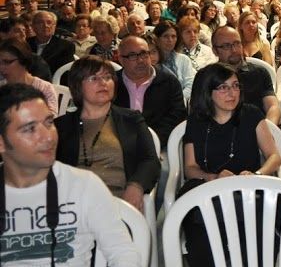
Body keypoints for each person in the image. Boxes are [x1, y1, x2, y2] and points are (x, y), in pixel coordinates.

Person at [0, 83, 141, 267]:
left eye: (48, 122)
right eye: (30, 129)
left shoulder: (83, 185)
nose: (47, 136)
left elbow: (126, 257)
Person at [180, 63, 281, 267]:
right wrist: (213, 177)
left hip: (247, 191)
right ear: (208, 92)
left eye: (235, 86)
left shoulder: (251, 115)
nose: (232, 93)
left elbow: (274, 156)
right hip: (207, 192)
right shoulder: (197, 121)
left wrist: (256, 174)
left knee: (266, 236)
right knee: (201, 243)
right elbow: (190, 167)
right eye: (223, 87)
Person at [55, 56, 160, 212]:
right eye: (93, 78)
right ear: (77, 85)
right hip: (72, 207)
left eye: (107, 77)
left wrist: (136, 186)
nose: (103, 83)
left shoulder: (131, 119)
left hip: (119, 203)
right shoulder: (61, 126)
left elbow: (150, 161)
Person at [113, 35, 186, 148]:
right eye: (133, 56)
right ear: (121, 59)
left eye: (144, 54)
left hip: (160, 145)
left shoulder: (169, 82)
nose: (140, 60)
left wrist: (150, 141)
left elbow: (176, 117)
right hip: (118, 146)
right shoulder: (112, 83)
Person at [211, 26, 281, 127]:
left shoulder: (259, 72)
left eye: (237, 43)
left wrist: (269, 128)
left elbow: (273, 106)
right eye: (226, 46)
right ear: (215, 50)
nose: (234, 50)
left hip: (261, 127)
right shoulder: (208, 77)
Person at [0, 39, 58, 115]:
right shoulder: (1, 87)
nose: (1, 68)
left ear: (23, 60)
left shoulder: (45, 89)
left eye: (7, 62)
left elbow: (50, 119)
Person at [153, 20, 196, 102]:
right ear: (157, 39)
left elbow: (190, 85)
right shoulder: (152, 60)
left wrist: (177, 100)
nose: (170, 40)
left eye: (173, 36)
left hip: (180, 102)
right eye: (165, 36)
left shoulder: (184, 59)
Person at [27, 11, 75, 76]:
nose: (45, 25)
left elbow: (65, 73)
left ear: (54, 26)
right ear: (33, 26)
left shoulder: (66, 46)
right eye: (40, 22)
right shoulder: (25, 44)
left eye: (49, 22)